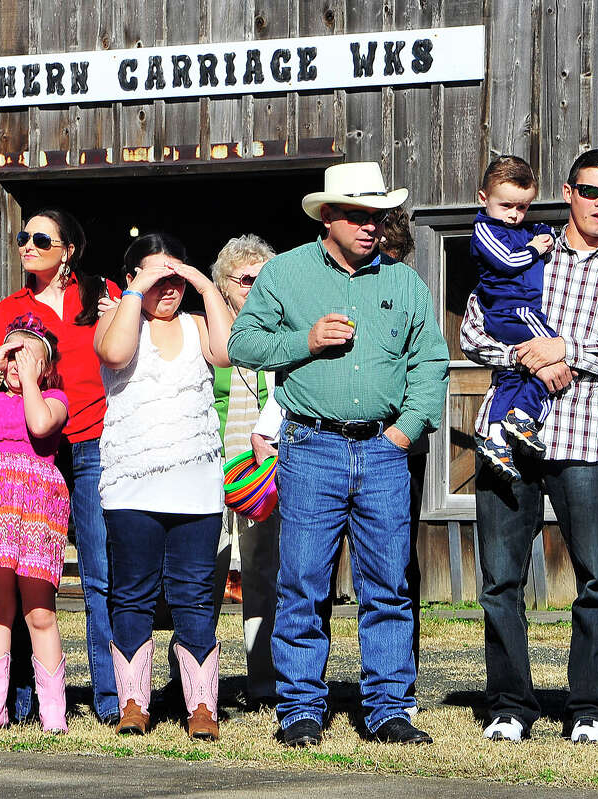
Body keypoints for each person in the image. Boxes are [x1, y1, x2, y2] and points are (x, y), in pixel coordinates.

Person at [229, 161, 450, 747]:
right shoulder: (286, 273)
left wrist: (404, 432)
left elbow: (431, 361)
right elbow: (242, 342)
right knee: (303, 582)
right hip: (310, 445)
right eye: (356, 214)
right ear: (327, 216)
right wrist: (303, 341)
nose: (370, 226)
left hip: (383, 449)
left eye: (376, 215)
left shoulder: (404, 283)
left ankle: (388, 708)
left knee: (388, 585)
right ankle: (300, 706)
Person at [460, 148, 598, 745]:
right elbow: (475, 329)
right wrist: (529, 357)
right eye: (591, 190)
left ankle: (591, 709)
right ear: (569, 193)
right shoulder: (526, 250)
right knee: (500, 579)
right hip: (511, 443)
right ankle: (509, 705)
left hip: (587, 441)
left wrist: (566, 352)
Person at [94, 232, 233, 740]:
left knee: (195, 595)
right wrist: (136, 292)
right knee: (132, 595)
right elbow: (114, 353)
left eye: (175, 277)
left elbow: (227, 352)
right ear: (132, 279)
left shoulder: (197, 326)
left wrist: (201, 282)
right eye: (156, 277)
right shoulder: (115, 318)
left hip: (196, 489)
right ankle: (134, 702)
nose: (168, 287)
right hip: (131, 488)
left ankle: (201, 707)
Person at [0, 209, 121, 725]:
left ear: (68, 249)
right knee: (21, 575)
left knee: (98, 572)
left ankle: (110, 699)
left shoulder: (97, 295)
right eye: (23, 237)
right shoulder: (9, 308)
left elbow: (122, 355)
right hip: (28, 451)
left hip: (89, 440)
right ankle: (21, 699)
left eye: (42, 239)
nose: (28, 245)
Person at [0, 312, 71, 734]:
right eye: (12, 357)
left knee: (39, 612)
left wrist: (34, 384)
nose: (16, 365)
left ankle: (53, 714)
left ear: (45, 367)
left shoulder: (54, 399)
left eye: (28, 358)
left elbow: (41, 425)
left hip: (35, 510)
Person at [209, 234, 282, 709]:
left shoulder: (280, 333)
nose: (253, 287)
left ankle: (265, 684)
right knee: (205, 576)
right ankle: (197, 684)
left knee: (261, 575)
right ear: (224, 285)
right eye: (244, 279)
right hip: (212, 469)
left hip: (262, 472)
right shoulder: (208, 333)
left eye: (262, 278)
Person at [470, 156, 557, 480]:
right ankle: (523, 413)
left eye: (522, 207)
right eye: (506, 205)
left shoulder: (524, 229)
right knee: (551, 352)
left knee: (511, 374)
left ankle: (495, 438)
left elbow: (542, 233)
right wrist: (536, 248)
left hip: (515, 313)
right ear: (484, 199)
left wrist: (543, 234)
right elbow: (508, 261)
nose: (514, 215)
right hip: (515, 311)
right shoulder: (485, 230)